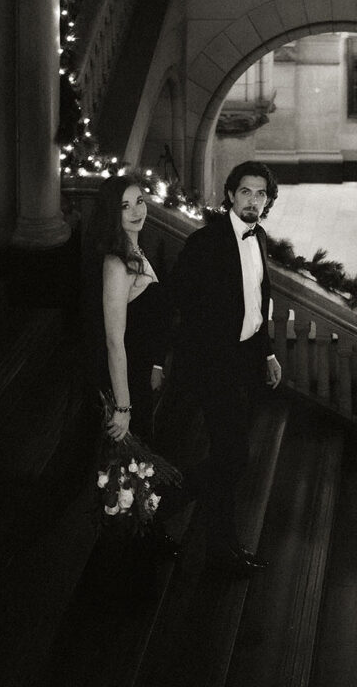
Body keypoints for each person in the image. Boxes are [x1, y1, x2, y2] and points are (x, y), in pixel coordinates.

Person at [169, 160, 282, 575]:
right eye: (246, 192)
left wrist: (267, 353)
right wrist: (203, 357)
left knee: (229, 456)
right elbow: (181, 302)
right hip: (216, 367)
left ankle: (181, 511)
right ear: (231, 195)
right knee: (231, 458)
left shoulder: (260, 237)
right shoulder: (205, 242)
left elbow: (258, 301)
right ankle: (217, 544)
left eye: (261, 194)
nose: (253, 200)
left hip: (249, 360)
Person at [84, 172, 169, 445]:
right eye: (125, 206)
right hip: (127, 378)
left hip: (140, 371)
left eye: (140, 201)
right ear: (112, 213)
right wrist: (122, 408)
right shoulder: (117, 265)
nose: (136, 211)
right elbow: (113, 340)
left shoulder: (136, 250)